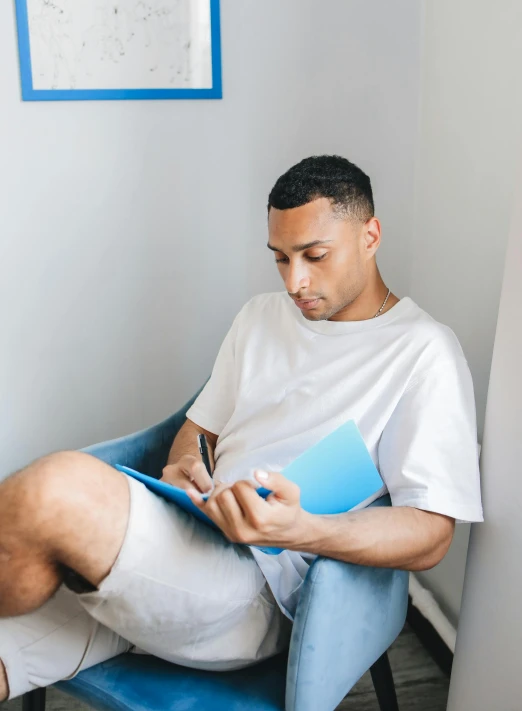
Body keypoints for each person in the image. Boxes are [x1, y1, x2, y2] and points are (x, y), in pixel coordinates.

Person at [0, 155, 483, 700]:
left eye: (314, 256)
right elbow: (199, 429)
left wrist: (299, 530)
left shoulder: (423, 352)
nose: (295, 281)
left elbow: (432, 533)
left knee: (53, 490)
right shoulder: (260, 317)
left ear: (370, 235)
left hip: (258, 590)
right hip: (186, 545)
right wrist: (182, 465)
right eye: (280, 258)